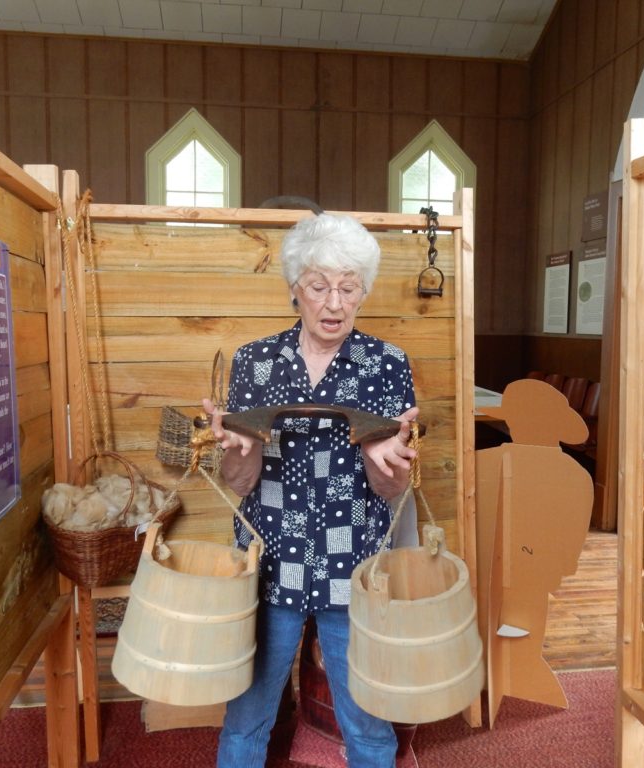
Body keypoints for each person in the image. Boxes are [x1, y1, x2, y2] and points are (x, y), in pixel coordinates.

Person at [204, 213, 419, 768]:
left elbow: (391, 489)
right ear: (294, 288)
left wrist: (385, 460)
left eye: (349, 288)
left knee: (369, 726)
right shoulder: (256, 362)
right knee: (247, 719)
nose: (334, 303)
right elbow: (239, 485)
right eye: (320, 286)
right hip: (271, 562)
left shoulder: (386, 365)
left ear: (363, 292)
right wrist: (238, 455)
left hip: (355, 569)